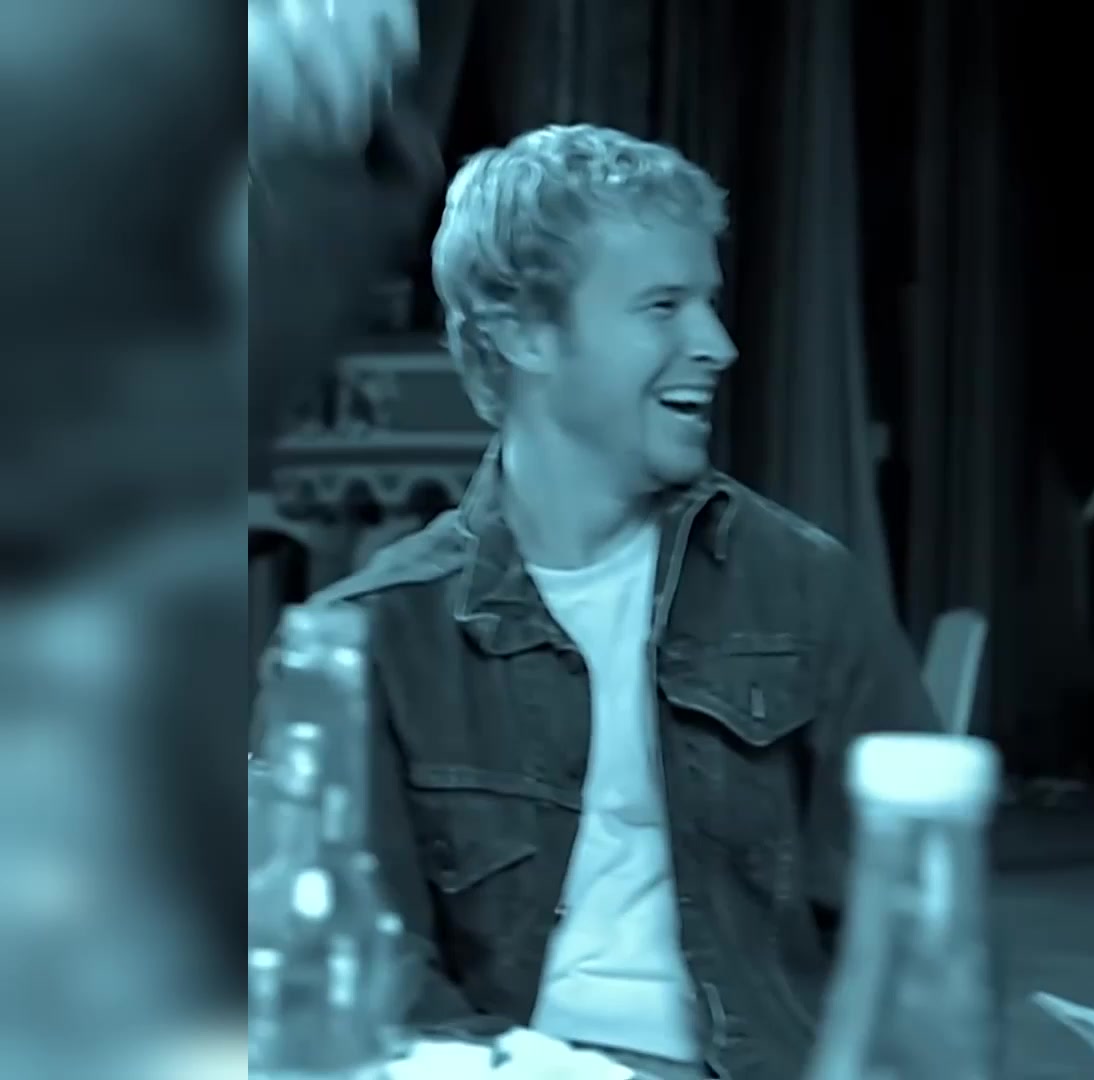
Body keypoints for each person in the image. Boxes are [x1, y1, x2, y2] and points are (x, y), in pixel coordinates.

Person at [297, 123, 940, 1080]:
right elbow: (360, 974)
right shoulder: (374, 637)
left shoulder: (805, 588)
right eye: (662, 306)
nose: (716, 345)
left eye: (709, 304)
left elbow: (907, 946)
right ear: (525, 332)